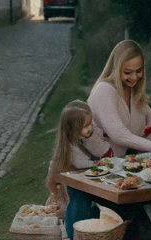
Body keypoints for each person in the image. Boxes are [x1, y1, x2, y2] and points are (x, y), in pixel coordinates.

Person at [88, 40, 151, 155]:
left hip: (129, 160)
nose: (134, 77)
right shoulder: (103, 90)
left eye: (139, 71)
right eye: (127, 72)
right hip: (102, 164)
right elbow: (119, 135)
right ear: (116, 69)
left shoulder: (133, 90)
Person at [46, 100, 113, 240]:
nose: (89, 129)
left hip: (92, 179)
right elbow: (81, 163)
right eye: (85, 126)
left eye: (90, 124)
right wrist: (96, 163)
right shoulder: (70, 147)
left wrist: (93, 139)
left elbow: (103, 148)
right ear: (72, 129)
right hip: (75, 183)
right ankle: (74, 234)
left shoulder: (90, 135)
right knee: (79, 201)